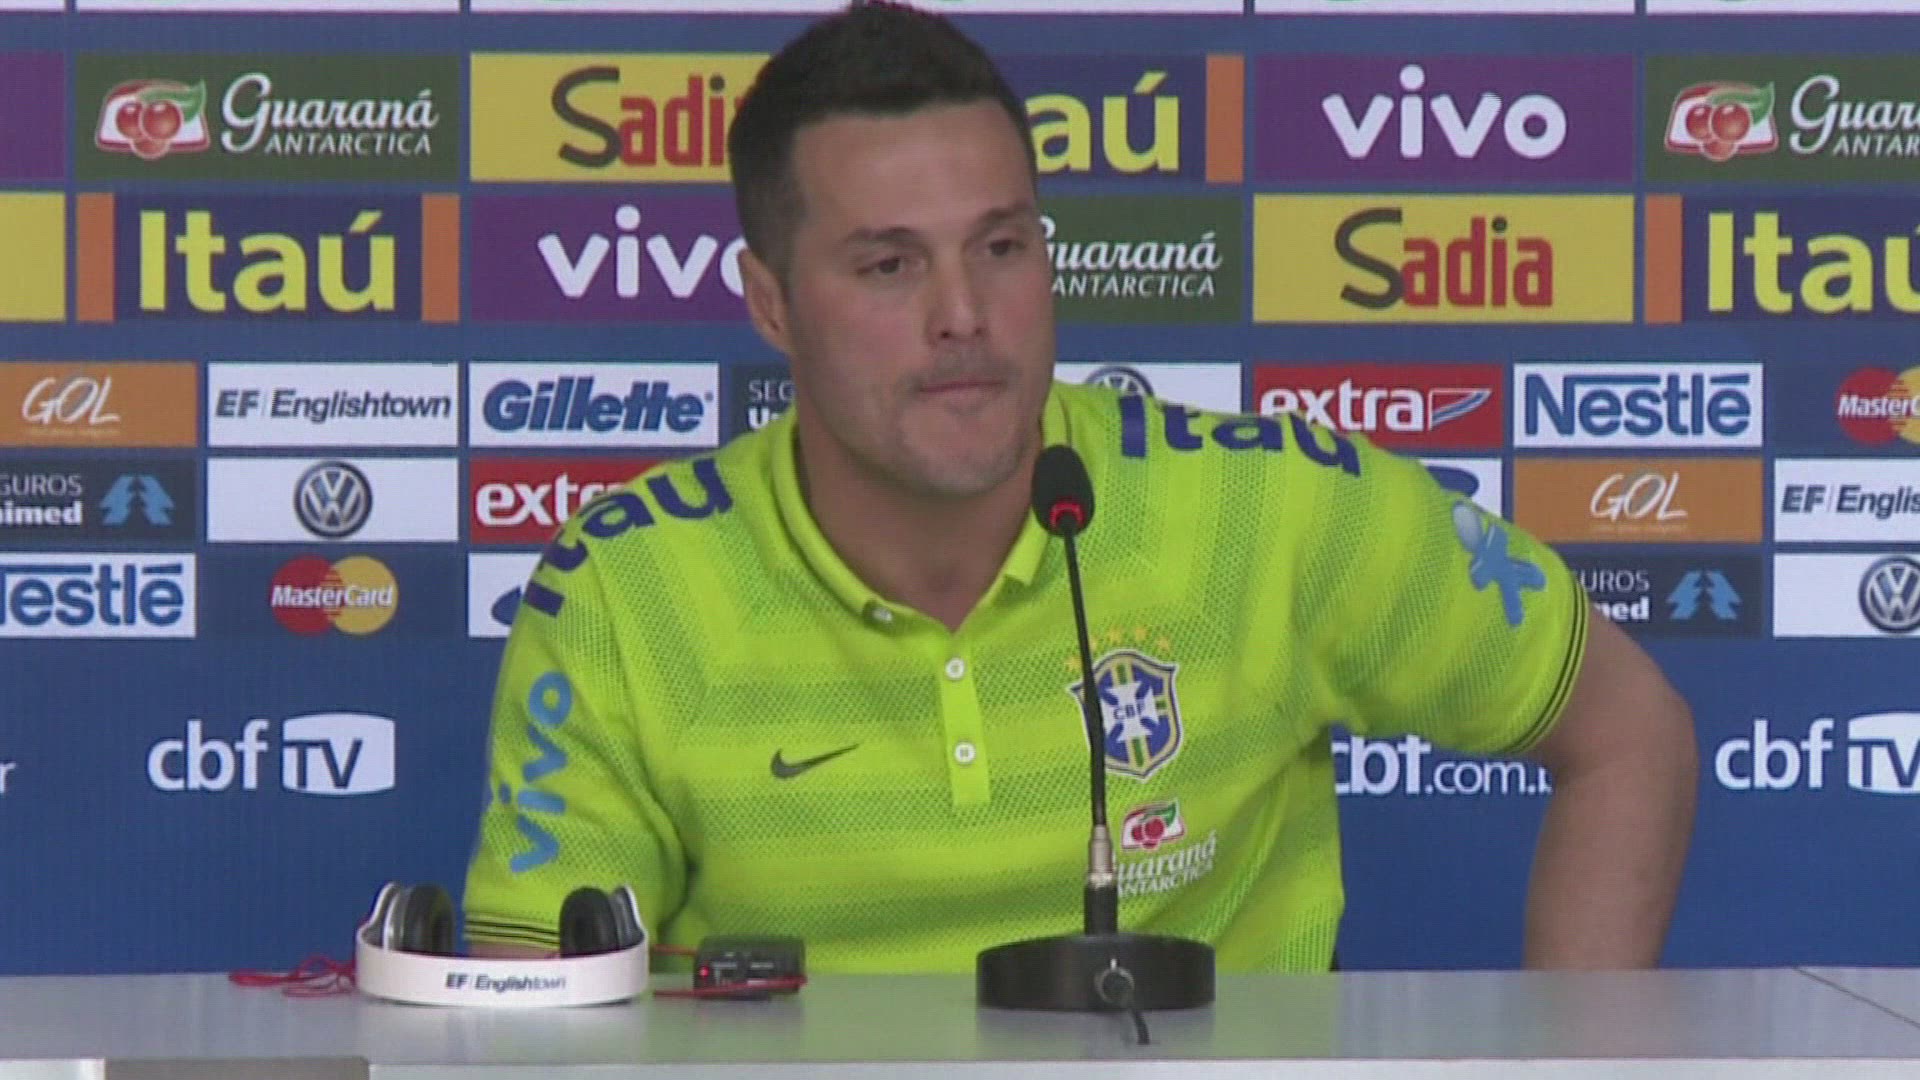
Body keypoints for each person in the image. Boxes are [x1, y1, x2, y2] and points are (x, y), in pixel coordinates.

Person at [462, 0, 1696, 972]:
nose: (963, 315)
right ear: (773, 304)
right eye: (889, 266)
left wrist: (1571, 1066)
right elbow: (528, 1005)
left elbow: (1628, 731)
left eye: (1002, 246)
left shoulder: (1268, 511)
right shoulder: (626, 591)